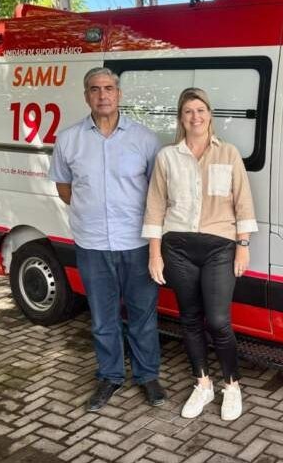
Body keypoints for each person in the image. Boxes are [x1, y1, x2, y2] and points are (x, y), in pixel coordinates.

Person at [49, 66, 166, 412]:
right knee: (102, 317)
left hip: (137, 243)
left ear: (119, 94)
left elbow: (156, 193)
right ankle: (110, 375)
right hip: (92, 244)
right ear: (86, 96)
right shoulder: (69, 140)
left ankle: (147, 376)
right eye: (95, 89)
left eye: (109, 88)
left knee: (143, 315)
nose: (103, 95)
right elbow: (64, 188)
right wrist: (92, 212)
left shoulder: (144, 139)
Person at [142, 87, 257, 422]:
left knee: (219, 321)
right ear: (181, 117)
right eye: (189, 111)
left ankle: (231, 386)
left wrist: (243, 246)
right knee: (190, 318)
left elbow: (243, 201)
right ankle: (202, 384)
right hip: (176, 246)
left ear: (210, 115)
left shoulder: (229, 153)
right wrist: (154, 254)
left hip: (220, 245)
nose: (195, 117)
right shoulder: (167, 157)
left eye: (201, 110)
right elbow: (155, 207)